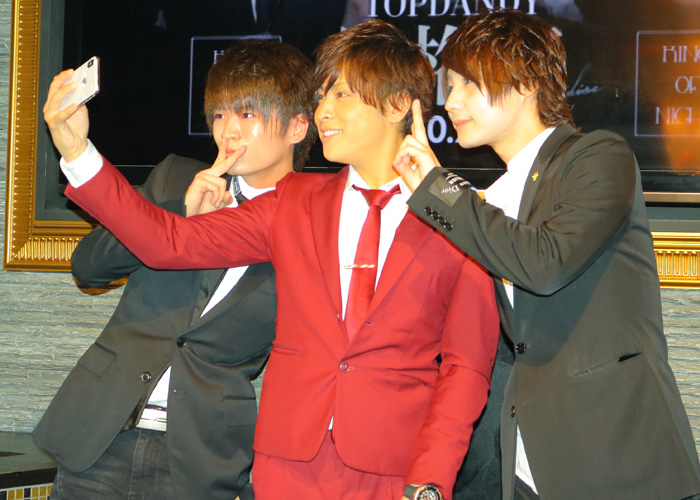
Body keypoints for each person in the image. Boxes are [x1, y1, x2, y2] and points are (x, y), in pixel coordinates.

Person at [43, 19, 500, 500]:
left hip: (391, 468)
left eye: (341, 94)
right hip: (287, 468)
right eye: (321, 97)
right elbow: (165, 241)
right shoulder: (295, 200)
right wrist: (77, 150)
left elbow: (466, 369)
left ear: (396, 105)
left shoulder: (462, 214)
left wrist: (429, 484)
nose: (323, 111)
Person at [393, 9, 700, 500]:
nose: (452, 102)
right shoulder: (489, 197)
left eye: (468, 83)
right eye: (448, 86)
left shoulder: (597, 156)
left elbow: (546, 263)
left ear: (526, 83)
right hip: (529, 463)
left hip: (615, 456)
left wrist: (439, 188)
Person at [33, 39, 315, 500]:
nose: (229, 130)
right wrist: (179, 213)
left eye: (248, 113)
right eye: (220, 114)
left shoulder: (312, 223)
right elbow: (89, 267)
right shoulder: (175, 177)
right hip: (102, 435)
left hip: (201, 456)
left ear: (297, 126)